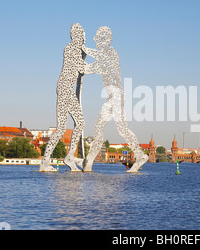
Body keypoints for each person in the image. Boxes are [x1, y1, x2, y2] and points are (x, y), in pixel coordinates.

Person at [81, 26, 148, 173]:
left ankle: (139, 155)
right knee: (112, 128)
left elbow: (98, 59)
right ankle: (90, 161)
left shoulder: (110, 53)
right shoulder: (105, 57)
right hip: (113, 96)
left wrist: (83, 48)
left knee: (113, 128)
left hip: (115, 96)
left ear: (105, 39)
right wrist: (80, 65)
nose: (95, 39)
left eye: (98, 37)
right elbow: (90, 69)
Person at [39, 23, 88, 172]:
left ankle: (45, 161)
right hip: (66, 89)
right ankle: (69, 157)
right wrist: (100, 66)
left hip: (63, 89)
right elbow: (82, 68)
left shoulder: (72, 49)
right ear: (77, 36)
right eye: (83, 36)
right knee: (80, 123)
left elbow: (80, 68)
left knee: (61, 128)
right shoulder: (72, 48)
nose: (84, 39)